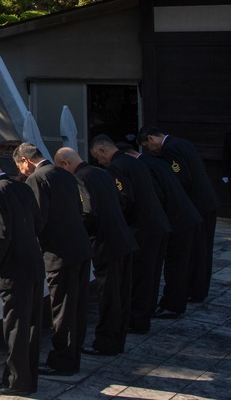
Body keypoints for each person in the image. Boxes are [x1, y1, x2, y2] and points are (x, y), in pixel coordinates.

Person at [0, 144, 44, 397]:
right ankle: (29, 377)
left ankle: (15, 381)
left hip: (14, 269)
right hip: (34, 264)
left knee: (15, 327)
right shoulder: (22, 186)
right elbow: (38, 223)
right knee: (32, 327)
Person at [14, 142, 92, 376]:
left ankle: (63, 360)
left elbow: (38, 218)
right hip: (80, 247)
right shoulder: (66, 175)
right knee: (77, 306)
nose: (21, 171)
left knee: (63, 308)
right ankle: (73, 353)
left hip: (59, 252)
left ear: (25, 161)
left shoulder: (37, 179)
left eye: (20, 166)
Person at [54, 147, 137, 356]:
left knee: (109, 295)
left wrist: (76, 231)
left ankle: (106, 342)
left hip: (104, 243)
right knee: (121, 294)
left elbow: (87, 212)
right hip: (123, 239)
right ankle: (117, 340)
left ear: (66, 164)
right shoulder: (102, 173)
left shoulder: (79, 179)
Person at [89, 135, 170, 334]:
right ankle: (144, 315)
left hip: (141, 229)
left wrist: (115, 221)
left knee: (140, 277)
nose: (100, 162)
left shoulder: (117, 167)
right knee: (150, 276)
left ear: (102, 151)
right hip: (156, 224)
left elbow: (124, 199)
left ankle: (137, 319)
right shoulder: (134, 161)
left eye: (99, 158)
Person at [117, 141, 202, 321]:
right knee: (176, 264)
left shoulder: (145, 167)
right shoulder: (155, 162)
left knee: (175, 265)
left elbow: (158, 195)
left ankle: (172, 305)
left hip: (177, 219)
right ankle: (172, 303)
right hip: (183, 215)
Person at [137, 125, 218, 303]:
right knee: (203, 249)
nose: (151, 150)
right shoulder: (182, 143)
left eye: (147, 146)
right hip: (206, 201)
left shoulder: (170, 149)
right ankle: (199, 288)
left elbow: (181, 177)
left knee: (197, 250)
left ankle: (195, 289)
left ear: (151, 139)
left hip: (197, 204)